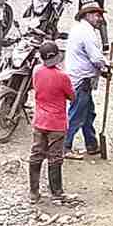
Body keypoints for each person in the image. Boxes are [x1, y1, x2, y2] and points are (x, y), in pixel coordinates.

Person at [29, 41, 75, 203]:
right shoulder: (62, 76)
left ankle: (34, 193)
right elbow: (72, 96)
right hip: (56, 123)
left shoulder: (36, 71)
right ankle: (56, 192)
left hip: (40, 120)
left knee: (36, 155)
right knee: (55, 158)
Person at [63, 2, 110, 158]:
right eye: (97, 15)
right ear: (87, 15)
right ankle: (65, 146)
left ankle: (91, 144)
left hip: (79, 77)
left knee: (88, 113)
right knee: (76, 114)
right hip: (82, 79)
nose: (100, 19)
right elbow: (96, 57)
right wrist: (106, 66)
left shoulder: (79, 29)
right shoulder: (87, 33)